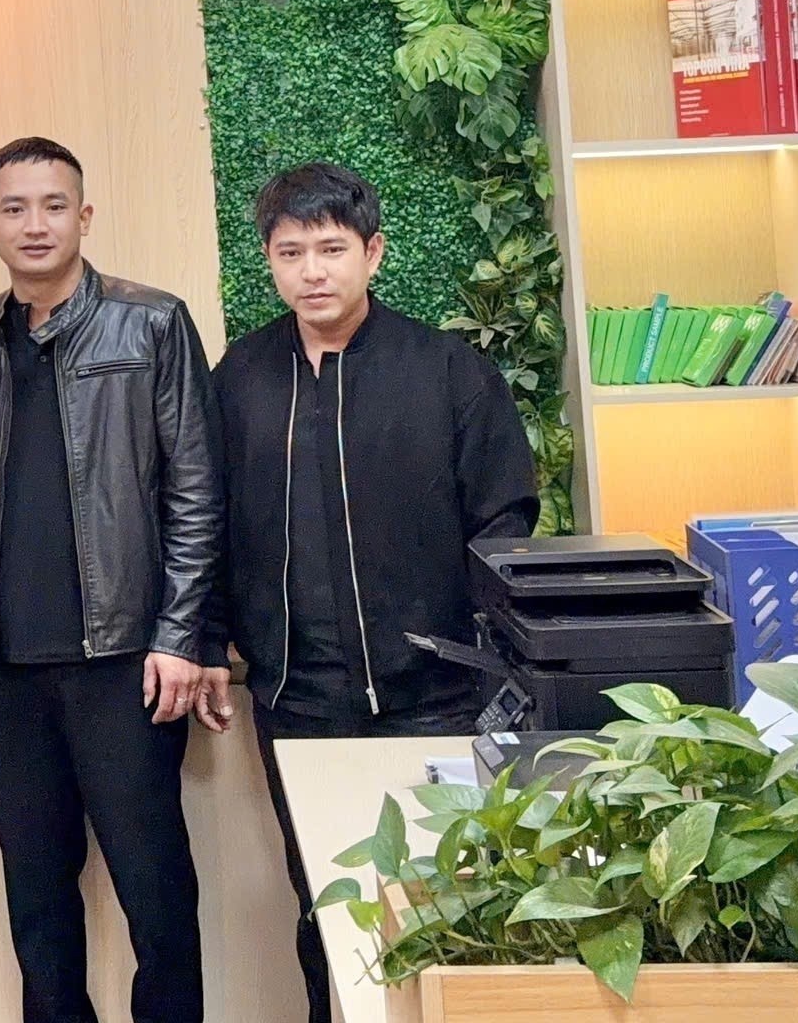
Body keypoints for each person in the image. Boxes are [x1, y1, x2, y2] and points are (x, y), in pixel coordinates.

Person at [202, 161, 539, 1023]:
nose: (312, 271)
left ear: (373, 252)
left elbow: (504, 518)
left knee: (448, 901)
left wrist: (476, 646)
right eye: (290, 253)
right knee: (323, 901)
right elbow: (206, 518)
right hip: (298, 697)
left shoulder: (447, 370)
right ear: (269, 262)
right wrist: (216, 639)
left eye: (331, 249)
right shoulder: (241, 378)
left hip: (435, 695)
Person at [0, 137, 222, 1023]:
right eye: (14, 208)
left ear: (85, 216)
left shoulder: (152, 323)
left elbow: (197, 490)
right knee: (37, 902)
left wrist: (180, 636)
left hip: (125, 662)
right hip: (8, 670)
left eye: (54, 205)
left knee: (155, 894)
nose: (35, 224)